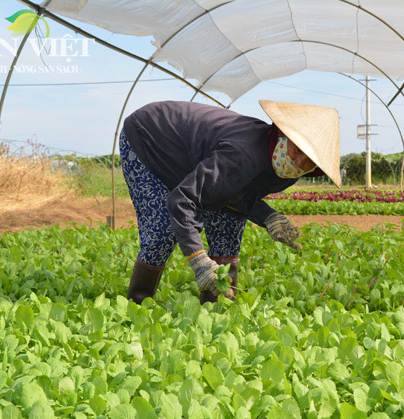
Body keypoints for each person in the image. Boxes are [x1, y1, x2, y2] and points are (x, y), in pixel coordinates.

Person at [120, 100, 341, 305]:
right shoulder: (243, 154)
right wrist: (198, 260)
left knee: (228, 225)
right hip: (150, 138)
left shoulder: (287, 172)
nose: (298, 162)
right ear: (283, 135)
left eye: (309, 161)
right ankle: (138, 304)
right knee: (162, 231)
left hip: (199, 161)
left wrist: (267, 216)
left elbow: (233, 192)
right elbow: (183, 198)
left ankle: (216, 308)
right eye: (297, 150)